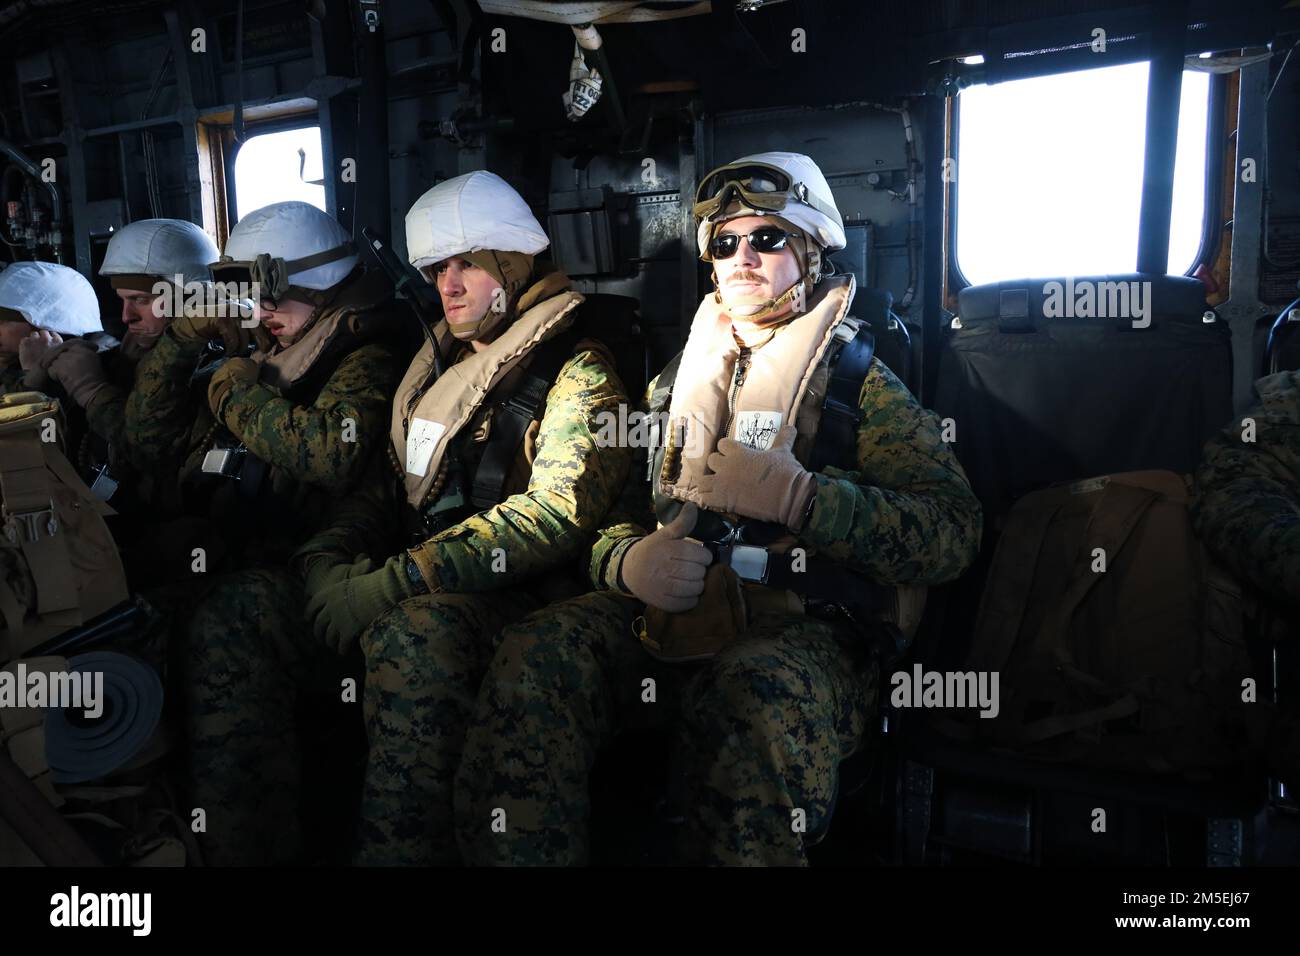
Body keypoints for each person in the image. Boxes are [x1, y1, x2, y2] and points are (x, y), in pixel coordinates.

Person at [454, 152, 984, 866]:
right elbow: (607, 520)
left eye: (766, 239)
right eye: (726, 243)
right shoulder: (676, 384)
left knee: (753, 699)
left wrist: (810, 499)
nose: (743, 257)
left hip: (804, 632)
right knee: (537, 655)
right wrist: (626, 560)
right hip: (672, 619)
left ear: (808, 251)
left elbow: (954, 533)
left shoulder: (862, 383)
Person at [294, 170, 631, 864]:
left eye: (469, 265)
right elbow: (391, 486)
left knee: (413, 637)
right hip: (444, 585)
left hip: (535, 596)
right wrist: (331, 556)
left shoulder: (579, 371)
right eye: (437, 268)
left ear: (511, 265)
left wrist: (398, 582)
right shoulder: (440, 366)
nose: (447, 284)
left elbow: (553, 516)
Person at [0, 260, 100, 399]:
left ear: (45, 327)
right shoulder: (10, 363)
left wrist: (31, 374)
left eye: (2, 322)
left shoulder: (86, 371)